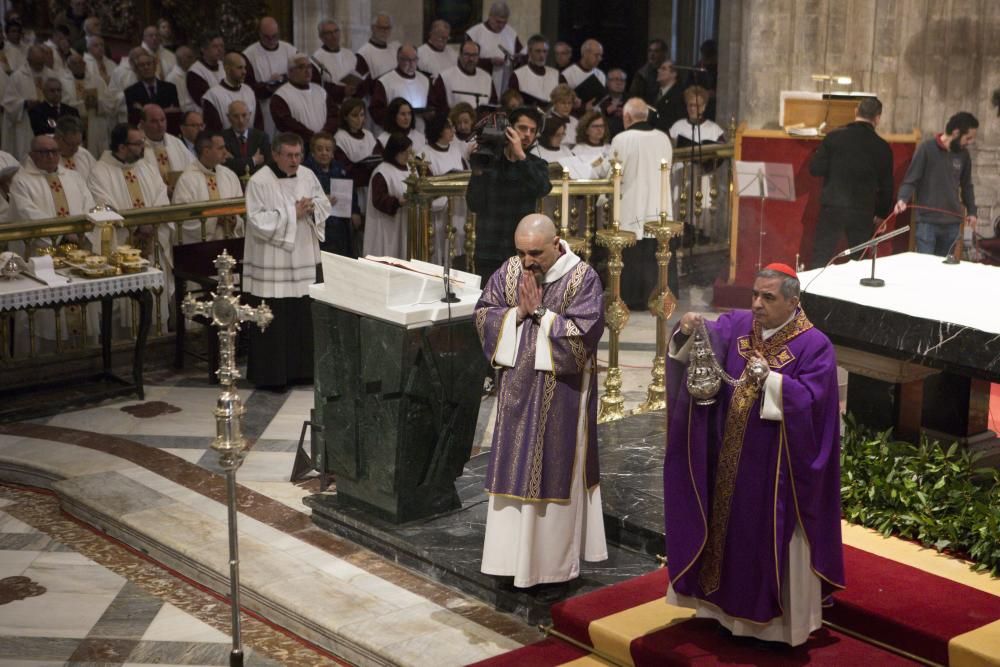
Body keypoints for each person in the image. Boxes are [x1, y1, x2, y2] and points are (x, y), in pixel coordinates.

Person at [664, 263, 845, 647]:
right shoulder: (739, 325)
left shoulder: (815, 346)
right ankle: (722, 612)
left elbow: (816, 406)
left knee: (764, 541)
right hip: (729, 464)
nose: (757, 305)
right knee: (728, 538)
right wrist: (687, 328)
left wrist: (774, 381)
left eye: (768, 297)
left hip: (777, 475)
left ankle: (776, 628)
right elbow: (703, 344)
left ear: (793, 302)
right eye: (755, 295)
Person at [474, 213, 607, 594]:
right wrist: (516, 312)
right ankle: (507, 561)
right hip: (517, 393)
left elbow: (584, 335)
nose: (527, 261)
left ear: (557, 242)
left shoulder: (583, 278)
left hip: (561, 395)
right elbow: (484, 313)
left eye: (536, 253)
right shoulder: (510, 269)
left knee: (554, 467)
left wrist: (543, 314)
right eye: (521, 252)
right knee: (512, 467)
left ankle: (549, 568)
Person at [243, 132, 330, 389]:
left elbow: (323, 203)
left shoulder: (307, 175)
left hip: (302, 255)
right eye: (289, 155)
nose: (295, 160)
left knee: (301, 315)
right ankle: (272, 376)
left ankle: (303, 371)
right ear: (275, 154)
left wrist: (313, 207)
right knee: (276, 318)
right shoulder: (259, 181)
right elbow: (257, 220)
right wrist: (293, 212)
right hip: (273, 261)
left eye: (298, 155)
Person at [466, 106, 552, 280]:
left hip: (523, 252)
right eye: (522, 128)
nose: (527, 134)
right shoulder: (489, 161)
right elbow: (474, 204)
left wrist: (521, 156)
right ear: (509, 129)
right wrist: (477, 172)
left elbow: (543, 188)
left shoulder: (537, 164)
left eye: (532, 130)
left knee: (522, 305)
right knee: (490, 305)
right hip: (489, 250)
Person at [808, 97, 893, 268]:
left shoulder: (833, 138)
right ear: (877, 118)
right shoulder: (882, 147)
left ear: (856, 112)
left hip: (833, 206)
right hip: (863, 211)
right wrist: (881, 215)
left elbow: (815, 168)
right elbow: (887, 188)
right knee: (858, 261)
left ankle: (811, 293)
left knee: (821, 256)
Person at [611, 97, 673, 308]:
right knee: (656, 249)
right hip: (659, 205)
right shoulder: (663, 138)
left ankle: (633, 298)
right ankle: (658, 296)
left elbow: (614, 173)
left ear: (627, 117)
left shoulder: (622, 139)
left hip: (632, 204)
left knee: (635, 248)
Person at [894, 111, 978, 257]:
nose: (970, 142)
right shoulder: (926, 148)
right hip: (927, 222)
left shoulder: (964, 155)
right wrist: (902, 199)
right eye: (968, 138)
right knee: (925, 268)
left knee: (944, 270)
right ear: (956, 132)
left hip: (952, 223)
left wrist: (972, 211)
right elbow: (911, 179)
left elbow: (967, 185)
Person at [670, 86, 726, 243]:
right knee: (680, 212)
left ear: (705, 106)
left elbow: (721, 155)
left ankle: (700, 236)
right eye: (690, 105)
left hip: (703, 177)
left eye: (697, 105)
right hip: (681, 175)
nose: (693, 109)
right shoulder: (678, 126)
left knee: (700, 213)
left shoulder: (714, 129)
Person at [172, 129, 243, 244]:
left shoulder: (229, 175)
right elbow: (183, 220)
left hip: (230, 242)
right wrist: (215, 220)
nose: (225, 152)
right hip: (200, 249)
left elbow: (239, 212)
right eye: (220, 148)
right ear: (206, 151)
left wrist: (234, 221)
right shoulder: (187, 180)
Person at [420, 115, 468, 264]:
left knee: (457, 253)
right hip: (438, 214)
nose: (453, 130)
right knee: (440, 254)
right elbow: (424, 186)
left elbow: (466, 176)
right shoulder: (424, 154)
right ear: (439, 131)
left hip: (458, 209)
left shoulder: (456, 151)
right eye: (448, 127)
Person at [304, 131, 359, 257]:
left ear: (333, 153)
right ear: (312, 152)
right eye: (319, 149)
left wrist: (355, 211)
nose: (324, 153)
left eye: (328, 149)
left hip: (341, 226)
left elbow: (352, 192)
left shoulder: (341, 169)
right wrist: (322, 201)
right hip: (317, 226)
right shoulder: (306, 172)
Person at [243, 16, 298, 137]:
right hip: (264, 109)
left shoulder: (290, 50)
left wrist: (282, 79)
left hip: (289, 105)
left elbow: (300, 76)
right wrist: (268, 85)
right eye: (266, 37)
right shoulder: (249, 55)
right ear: (259, 34)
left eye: (274, 36)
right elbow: (248, 88)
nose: (271, 40)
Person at [270, 54, 338, 146]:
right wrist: (312, 136)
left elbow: (333, 115)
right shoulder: (280, 96)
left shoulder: (321, 91)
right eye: (301, 67)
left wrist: (325, 133)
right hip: (296, 146)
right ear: (290, 72)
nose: (307, 71)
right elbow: (286, 123)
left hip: (323, 144)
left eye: (309, 67)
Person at [2, 45, 57, 159]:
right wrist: (25, 104)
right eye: (36, 63)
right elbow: (8, 103)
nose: (39, 66)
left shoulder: (51, 75)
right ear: (28, 60)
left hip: (49, 121)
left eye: (41, 62)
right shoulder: (18, 76)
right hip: (26, 123)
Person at [364, 132, 413, 258]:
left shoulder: (411, 169)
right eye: (404, 152)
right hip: (386, 228)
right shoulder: (382, 172)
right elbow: (378, 199)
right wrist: (397, 202)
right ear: (394, 152)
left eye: (410, 152)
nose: (408, 156)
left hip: (405, 224)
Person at [333, 98, 380, 215]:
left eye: (362, 115)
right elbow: (343, 168)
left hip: (369, 187)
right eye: (354, 116)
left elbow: (377, 157)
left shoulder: (368, 135)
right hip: (353, 189)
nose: (359, 119)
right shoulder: (340, 137)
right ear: (345, 117)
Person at [429, 40, 498, 117]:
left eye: (474, 55)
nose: (471, 59)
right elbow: (439, 108)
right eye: (467, 55)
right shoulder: (445, 77)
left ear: (478, 57)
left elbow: (493, 105)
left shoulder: (486, 78)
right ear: (460, 55)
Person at [466, 1, 523, 95]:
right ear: (490, 16)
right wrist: (490, 62)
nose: (501, 26)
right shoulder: (475, 34)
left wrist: (517, 59)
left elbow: (521, 56)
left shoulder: (511, 34)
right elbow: (466, 61)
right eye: (498, 21)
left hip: (505, 83)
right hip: (480, 83)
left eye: (504, 22)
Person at [369, 44, 430, 131]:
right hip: (394, 134)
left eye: (414, 60)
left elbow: (432, 105)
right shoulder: (385, 81)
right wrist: (395, 118)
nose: (412, 64)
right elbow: (376, 110)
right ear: (398, 60)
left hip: (418, 132)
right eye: (407, 60)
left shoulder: (425, 80)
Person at [201, 52, 262, 132]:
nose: (244, 72)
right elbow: (213, 130)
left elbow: (258, 123)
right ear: (227, 69)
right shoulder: (213, 96)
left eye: (245, 67)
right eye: (239, 68)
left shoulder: (249, 91)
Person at [139, 103, 194, 188]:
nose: (160, 125)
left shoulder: (176, 143)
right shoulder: (137, 145)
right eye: (154, 121)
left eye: (162, 120)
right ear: (142, 124)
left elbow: (192, 168)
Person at [312, 19, 367, 103]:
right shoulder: (316, 59)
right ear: (321, 37)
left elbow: (360, 78)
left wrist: (356, 89)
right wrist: (342, 91)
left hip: (352, 103)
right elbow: (317, 86)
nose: (334, 35)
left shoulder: (350, 54)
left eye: (336, 31)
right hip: (332, 104)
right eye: (329, 33)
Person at [124, 51, 180, 129]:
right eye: (142, 65)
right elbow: (135, 118)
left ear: (155, 66)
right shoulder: (130, 92)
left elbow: (176, 111)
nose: (146, 67)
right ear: (137, 70)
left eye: (149, 64)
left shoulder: (170, 88)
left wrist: (143, 110)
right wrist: (165, 110)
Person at [509, 34, 559, 107]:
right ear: (529, 51)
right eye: (538, 51)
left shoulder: (556, 74)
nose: (542, 55)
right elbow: (512, 103)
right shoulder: (517, 75)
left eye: (544, 51)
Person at [222, 100, 269, 179]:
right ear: (228, 117)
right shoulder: (222, 138)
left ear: (250, 115)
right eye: (236, 116)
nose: (241, 120)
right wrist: (253, 160)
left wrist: (236, 162)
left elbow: (266, 166)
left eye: (244, 115)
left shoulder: (261, 137)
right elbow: (227, 166)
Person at [560, 39, 605, 109]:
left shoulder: (601, 75)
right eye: (596, 55)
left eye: (600, 56)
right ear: (585, 54)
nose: (599, 59)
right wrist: (583, 107)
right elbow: (561, 102)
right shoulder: (567, 74)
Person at [187, 33, 226, 111]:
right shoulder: (195, 72)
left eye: (221, 46)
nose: (220, 49)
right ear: (203, 49)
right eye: (215, 46)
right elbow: (206, 101)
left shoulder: (224, 66)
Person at [358, 12, 401, 82]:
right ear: (372, 28)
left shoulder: (395, 49)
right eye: (381, 28)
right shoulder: (363, 54)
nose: (385, 31)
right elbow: (362, 85)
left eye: (388, 28)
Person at [54, 114, 96, 180]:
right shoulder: (48, 158)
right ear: (57, 138)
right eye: (71, 144)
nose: (76, 150)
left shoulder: (84, 154)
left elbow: (97, 178)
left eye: (78, 144)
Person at [572, 110, 612, 178]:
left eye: (602, 126)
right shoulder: (577, 151)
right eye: (595, 126)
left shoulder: (610, 148)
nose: (600, 129)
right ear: (586, 130)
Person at [629, 39, 668, 105]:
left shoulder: (671, 73)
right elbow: (634, 98)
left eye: (656, 51)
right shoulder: (642, 75)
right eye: (650, 51)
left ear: (663, 53)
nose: (652, 55)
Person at [651, 60, 685, 135]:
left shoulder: (680, 95)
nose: (658, 70)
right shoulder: (654, 92)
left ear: (674, 74)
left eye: (663, 69)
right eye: (659, 68)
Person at [164, 45, 197, 113]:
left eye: (193, 57)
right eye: (189, 57)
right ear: (180, 60)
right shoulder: (172, 78)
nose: (193, 60)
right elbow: (180, 104)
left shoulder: (192, 72)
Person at [547, 84, 578, 148]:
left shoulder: (575, 121)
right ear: (555, 103)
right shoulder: (547, 121)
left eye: (569, 103)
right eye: (563, 103)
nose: (567, 106)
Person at [600, 68, 627, 137]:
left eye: (622, 80)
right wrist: (605, 112)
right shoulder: (600, 100)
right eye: (615, 79)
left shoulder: (631, 102)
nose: (619, 83)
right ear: (607, 82)